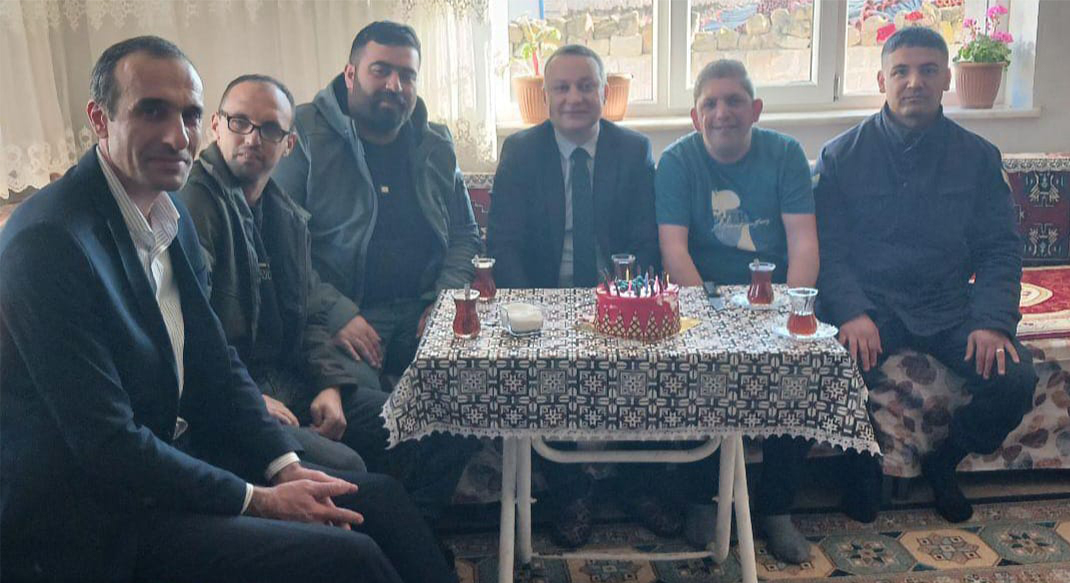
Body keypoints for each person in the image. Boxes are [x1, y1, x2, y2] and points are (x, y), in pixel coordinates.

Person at [0, 36, 456, 583]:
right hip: (95, 516)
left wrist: (285, 467)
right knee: (348, 556)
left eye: (189, 115)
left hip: (174, 462)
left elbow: (217, 365)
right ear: (100, 119)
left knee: (378, 501)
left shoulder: (168, 215)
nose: (179, 136)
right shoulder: (49, 241)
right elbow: (107, 447)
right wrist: (259, 500)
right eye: (152, 111)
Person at [814, 27, 1037, 524]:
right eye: (901, 71)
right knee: (827, 365)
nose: (914, 81)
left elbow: (1000, 249)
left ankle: (944, 460)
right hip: (871, 304)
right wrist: (850, 312)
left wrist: (993, 322)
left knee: (1016, 378)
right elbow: (828, 250)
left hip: (948, 305)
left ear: (946, 80)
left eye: (928, 70)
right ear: (882, 81)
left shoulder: (978, 158)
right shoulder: (842, 156)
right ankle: (860, 468)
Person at [273, 21, 482, 520]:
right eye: (380, 70)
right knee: (376, 421)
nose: (395, 85)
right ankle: (394, 526)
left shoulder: (436, 142)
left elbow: (464, 235)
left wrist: (445, 301)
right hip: (340, 320)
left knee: (480, 398)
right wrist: (337, 312)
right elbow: (279, 245)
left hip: (422, 312)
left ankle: (416, 522)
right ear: (350, 74)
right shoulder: (303, 135)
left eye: (407, 75)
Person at [486, 44, 667, 548]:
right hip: (544, 298)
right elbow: (503, 243)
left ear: (604, 92)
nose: (574, 98)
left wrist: (623, 302)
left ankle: (638, 486)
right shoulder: (521, 151)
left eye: (586, 86)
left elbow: (646, 241)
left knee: (651, 364)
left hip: (617, 299)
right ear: (545, 95)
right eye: (562, 87)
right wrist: (533, 309)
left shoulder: (633, 150)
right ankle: (570, 494)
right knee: (542, 371)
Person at [655, 59, 820, 564]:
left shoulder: (786, 154)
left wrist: (793, 312)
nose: (722, 112)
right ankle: (700, 499)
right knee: (698, 365)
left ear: (756, 109)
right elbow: (674, 250)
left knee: (801, 367)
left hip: (775, 297)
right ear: (695, 115)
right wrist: (708, 318)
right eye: (710, 103)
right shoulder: (676, 162)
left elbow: (803, 242)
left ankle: (777, 508)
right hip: (701, 298)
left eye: (734, 101)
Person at [178, 74, 366, 473]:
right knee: (352, 469)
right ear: (216, 126)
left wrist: (329, 385)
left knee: (403, 422)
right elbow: (191, 333)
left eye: (269, 129)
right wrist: (251, 399)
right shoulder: (194, 206)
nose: (252, 138)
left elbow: (309, 315)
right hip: (236, 397)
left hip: (292, 381)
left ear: (288, 144)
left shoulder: (286, 215)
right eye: (239, 122)